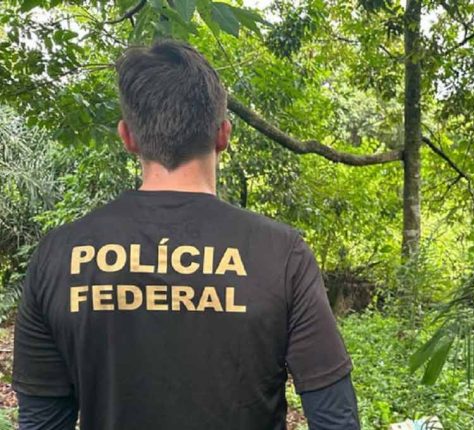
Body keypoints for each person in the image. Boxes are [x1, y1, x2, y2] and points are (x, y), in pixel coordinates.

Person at [12, 39, 360, 430]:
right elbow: (335, 418)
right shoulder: (281, 255)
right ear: (223, 134)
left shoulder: (57, 257)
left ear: (128, 137)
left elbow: (41, 422)